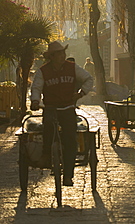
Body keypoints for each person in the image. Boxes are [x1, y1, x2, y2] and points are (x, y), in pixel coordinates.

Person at [30, 41, 93, 187]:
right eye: (59, 53)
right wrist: (35, 101)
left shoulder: (72, 68)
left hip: (68, 108)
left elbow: (89, 79)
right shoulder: (43, 71)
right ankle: (46, 155)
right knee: (48, 131)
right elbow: (36, 88)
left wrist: (81, 93)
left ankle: (68, 175)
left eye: (63, 53)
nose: (62, 56)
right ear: (52, 56)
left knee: (70, 140)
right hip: (51, 108)